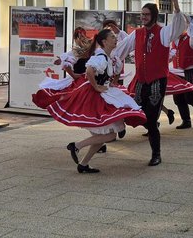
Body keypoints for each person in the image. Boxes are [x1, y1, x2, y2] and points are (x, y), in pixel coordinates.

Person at [47, 29, 146, 173]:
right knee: (110, 134)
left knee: (102, 136)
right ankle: (76, 146)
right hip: (96, 97)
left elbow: (114, 71)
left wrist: (112, 82)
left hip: (104, 93)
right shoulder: (101, 57)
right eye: (112, 37)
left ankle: (84, 164)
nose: (115, 38)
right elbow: (89, 71)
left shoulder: (109, 56)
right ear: (104, 42)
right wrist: (97, 87)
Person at [114, 0, 187, 166]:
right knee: (136, 111)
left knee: (152, 118)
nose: (143, 17)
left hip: (157, 81)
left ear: (154, 15)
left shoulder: (163, 32)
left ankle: (156, 154)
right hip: (141, 80)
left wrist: (176, 9)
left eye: (146, 14)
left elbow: (178, 25)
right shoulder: (137, 34)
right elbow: (120, 50)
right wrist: (107, 62)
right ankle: (120, 128)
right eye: (142, 14)